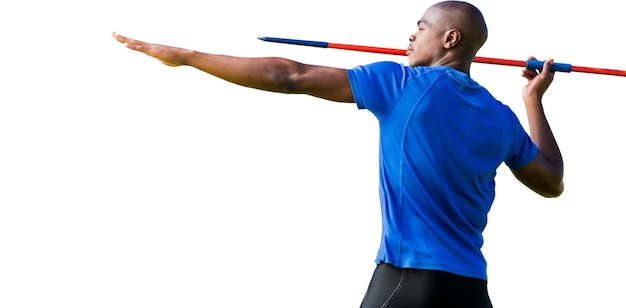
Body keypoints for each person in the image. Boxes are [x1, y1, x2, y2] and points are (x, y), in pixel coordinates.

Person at [112, 1, 563, 307]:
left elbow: (288, 74)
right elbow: (551, 181)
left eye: (420, 28)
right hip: (470, 290)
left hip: (410, 280)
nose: (409, 35)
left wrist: (188, 57)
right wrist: (533, 100)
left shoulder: (401, 85)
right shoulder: (500, 117)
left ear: (449, 39)